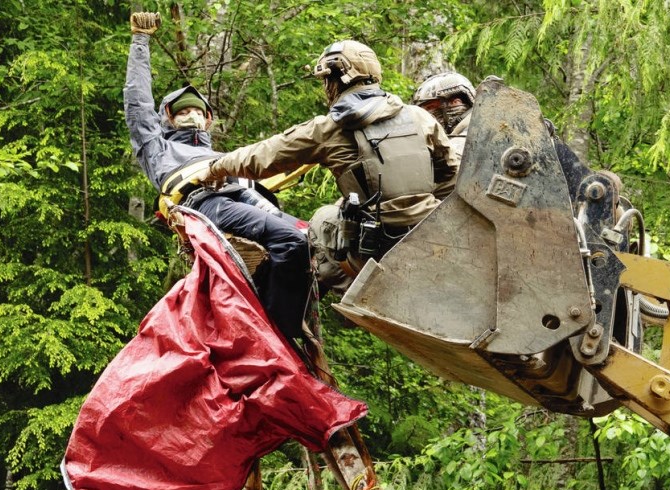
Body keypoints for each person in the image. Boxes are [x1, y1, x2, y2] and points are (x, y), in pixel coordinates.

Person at [194, 40, 459, 295]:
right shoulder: (419, 116)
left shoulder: (329, 128)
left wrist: (215, 167)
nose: (325, 88)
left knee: (322, 219)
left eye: (325, 80)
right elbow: (450, 175)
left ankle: (356, 295)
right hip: (431, 236)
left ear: (338, 79)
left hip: (378, 247)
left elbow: (263, 156)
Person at [125, 12, 311, 340]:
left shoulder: (224, 160)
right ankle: (280, 335)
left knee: (311, 239)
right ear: (167, 119)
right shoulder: (158, 149)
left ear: (209, 121)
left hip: (242, 199)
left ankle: (271, 309)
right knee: (291, 240)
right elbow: (138, 105)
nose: (192, 115)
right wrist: (141, 41)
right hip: (204, 205)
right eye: (183, 111)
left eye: (198, 111)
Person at [412, 72, 476, 199]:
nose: (427, 115)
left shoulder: (470, 132)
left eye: (430, 108)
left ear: (456, 103)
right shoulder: (464, 128)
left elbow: (447, 176)